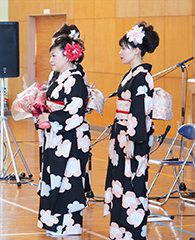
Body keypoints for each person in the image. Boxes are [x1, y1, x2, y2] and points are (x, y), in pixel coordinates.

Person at [103, 21, 159, 240]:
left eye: (124, 48)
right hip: (121, 135)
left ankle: (132, 232)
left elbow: (139, 110)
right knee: (120, 182)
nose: (120, 52)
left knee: (132, 183)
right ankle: (119, 230)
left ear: (137, 50)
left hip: (132, 137)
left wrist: (133, 140)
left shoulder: (142, 76)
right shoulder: (131, 75)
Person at [36, 35, 90, 236]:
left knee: (68, 181)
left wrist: (50, 117)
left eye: (54, 55)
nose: (51, 60)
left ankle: (68, 225)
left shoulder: (75, 79)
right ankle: (55, 222)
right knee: (54, 179)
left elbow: (76, 112)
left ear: (67, 56)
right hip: (57, 137)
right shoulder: (60, 77)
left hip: (71, 139)